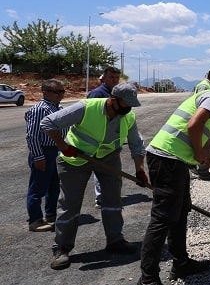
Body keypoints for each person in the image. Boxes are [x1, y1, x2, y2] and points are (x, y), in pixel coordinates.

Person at [134, 74, 210, 285]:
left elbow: (202, 142)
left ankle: (181, 263)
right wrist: (197, 152)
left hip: (174, 162)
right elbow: (193, 126)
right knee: (162, 219)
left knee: (181, 210)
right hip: (167, 159)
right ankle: (147, 282)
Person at [42, 82, 149, 270]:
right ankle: (61, 248)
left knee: (113, 201)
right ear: (113, 100)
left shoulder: (128, 116)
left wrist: (140, 169)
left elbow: (136, 145)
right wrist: (63, 146)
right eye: (126, 103)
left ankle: (115, 241)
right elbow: (48, 123)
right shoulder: (86, 107)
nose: (129, 108)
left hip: (108, 158)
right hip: (75, 159)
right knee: (70, 204)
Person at [24, 79, 67, 232]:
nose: (61, 95)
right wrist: (38, 157)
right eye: (58, 92)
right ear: (46, 92)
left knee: (54, 186)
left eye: (62, 91)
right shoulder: (39, 109)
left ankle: (51, 215)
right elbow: (32, 136)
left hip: (56, 151)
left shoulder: (58, 107)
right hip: (44, 151)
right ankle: (35, 220)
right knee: (38, 188)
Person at [87, 66, 121, 208]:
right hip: (96, 138)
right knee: (99, 169)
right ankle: (100, 198)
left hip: (110, 139)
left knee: (108, 170)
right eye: (111, 77)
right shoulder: (97, 94)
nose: (114, 80)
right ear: (104, 78)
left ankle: (106, 196)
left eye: (116, 77)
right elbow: (89, 115)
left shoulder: (116, 93)